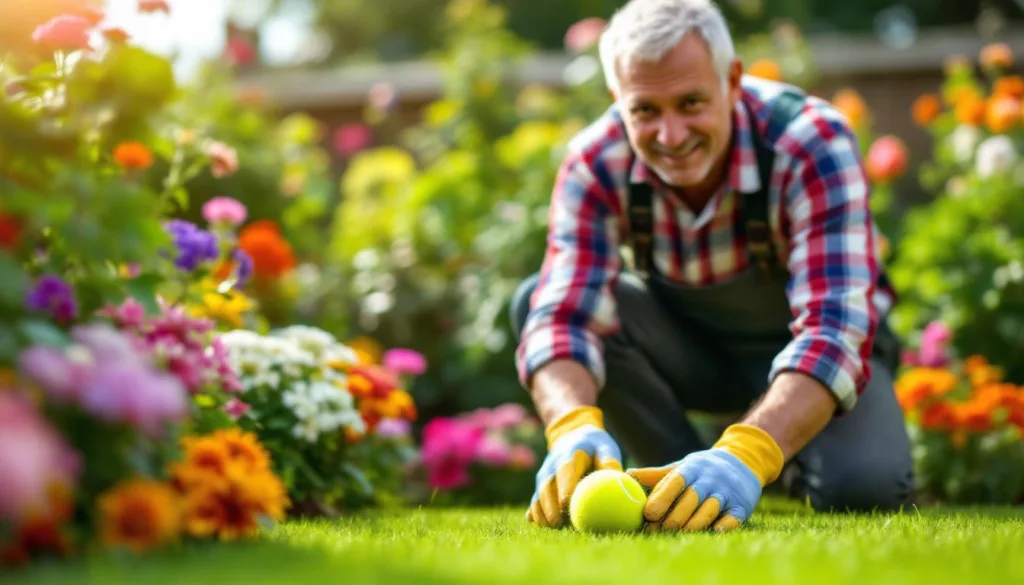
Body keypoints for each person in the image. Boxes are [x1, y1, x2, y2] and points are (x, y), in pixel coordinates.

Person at [509, 0, 914, 532]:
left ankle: (766, 457)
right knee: (534, 299)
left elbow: (835, 329)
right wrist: (570, 426)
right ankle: (675, 477)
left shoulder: (810, 141)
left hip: (810, 350)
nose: (671, 136)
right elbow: (563, 317)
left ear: (733, 80)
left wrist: (748, 453)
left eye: (691, 103)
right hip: (692, 351)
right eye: (645, 111)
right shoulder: (596, 161)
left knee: (865, 488)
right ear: (616, 98)